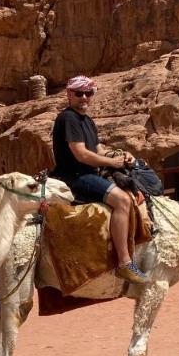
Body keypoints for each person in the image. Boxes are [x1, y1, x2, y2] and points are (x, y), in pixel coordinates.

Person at [51, 75, 148, 285]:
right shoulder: (68, 118)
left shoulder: (87, 121)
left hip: (88, 174)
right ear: (69, 94)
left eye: (89, 93)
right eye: (79, 93)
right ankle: (124, 263)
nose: (84, 97)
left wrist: (121, 156)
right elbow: (81, 154)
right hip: (75, 177)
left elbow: (97, 149)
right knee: (122, 200)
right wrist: (112, 164)